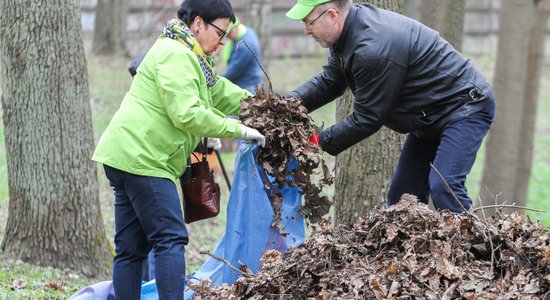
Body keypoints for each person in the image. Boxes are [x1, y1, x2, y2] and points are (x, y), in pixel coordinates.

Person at [92, 0, 265, 298]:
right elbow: (187, 113)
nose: (222, 41)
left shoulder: (189, 54)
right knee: (170, 239)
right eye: (219, 33)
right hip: (143, 159)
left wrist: (258, 105)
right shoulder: (176, 54)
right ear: (198, 23)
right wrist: (239, 129)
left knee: (131, 249)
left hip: (125, 155)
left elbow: (217, 91)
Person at [285, 0, 496, 213]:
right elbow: (330, 82)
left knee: (445, 186)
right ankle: (416, 247)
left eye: (308, 22)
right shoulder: (347, 35)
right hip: (429, 115)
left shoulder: (372, 48)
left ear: (332, 15)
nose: (306, 31)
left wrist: (317, 141)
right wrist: (286, 106)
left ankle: (471, 245)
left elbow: (366, 119)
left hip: (465, 107)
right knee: (404, 198)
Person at [219, 17, 263, 94]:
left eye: (229, 33)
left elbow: (234, 70)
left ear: (236, 27)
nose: (228, 37)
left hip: (247, 86)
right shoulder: (247, 31)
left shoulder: (244, 45)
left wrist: (218, 81)